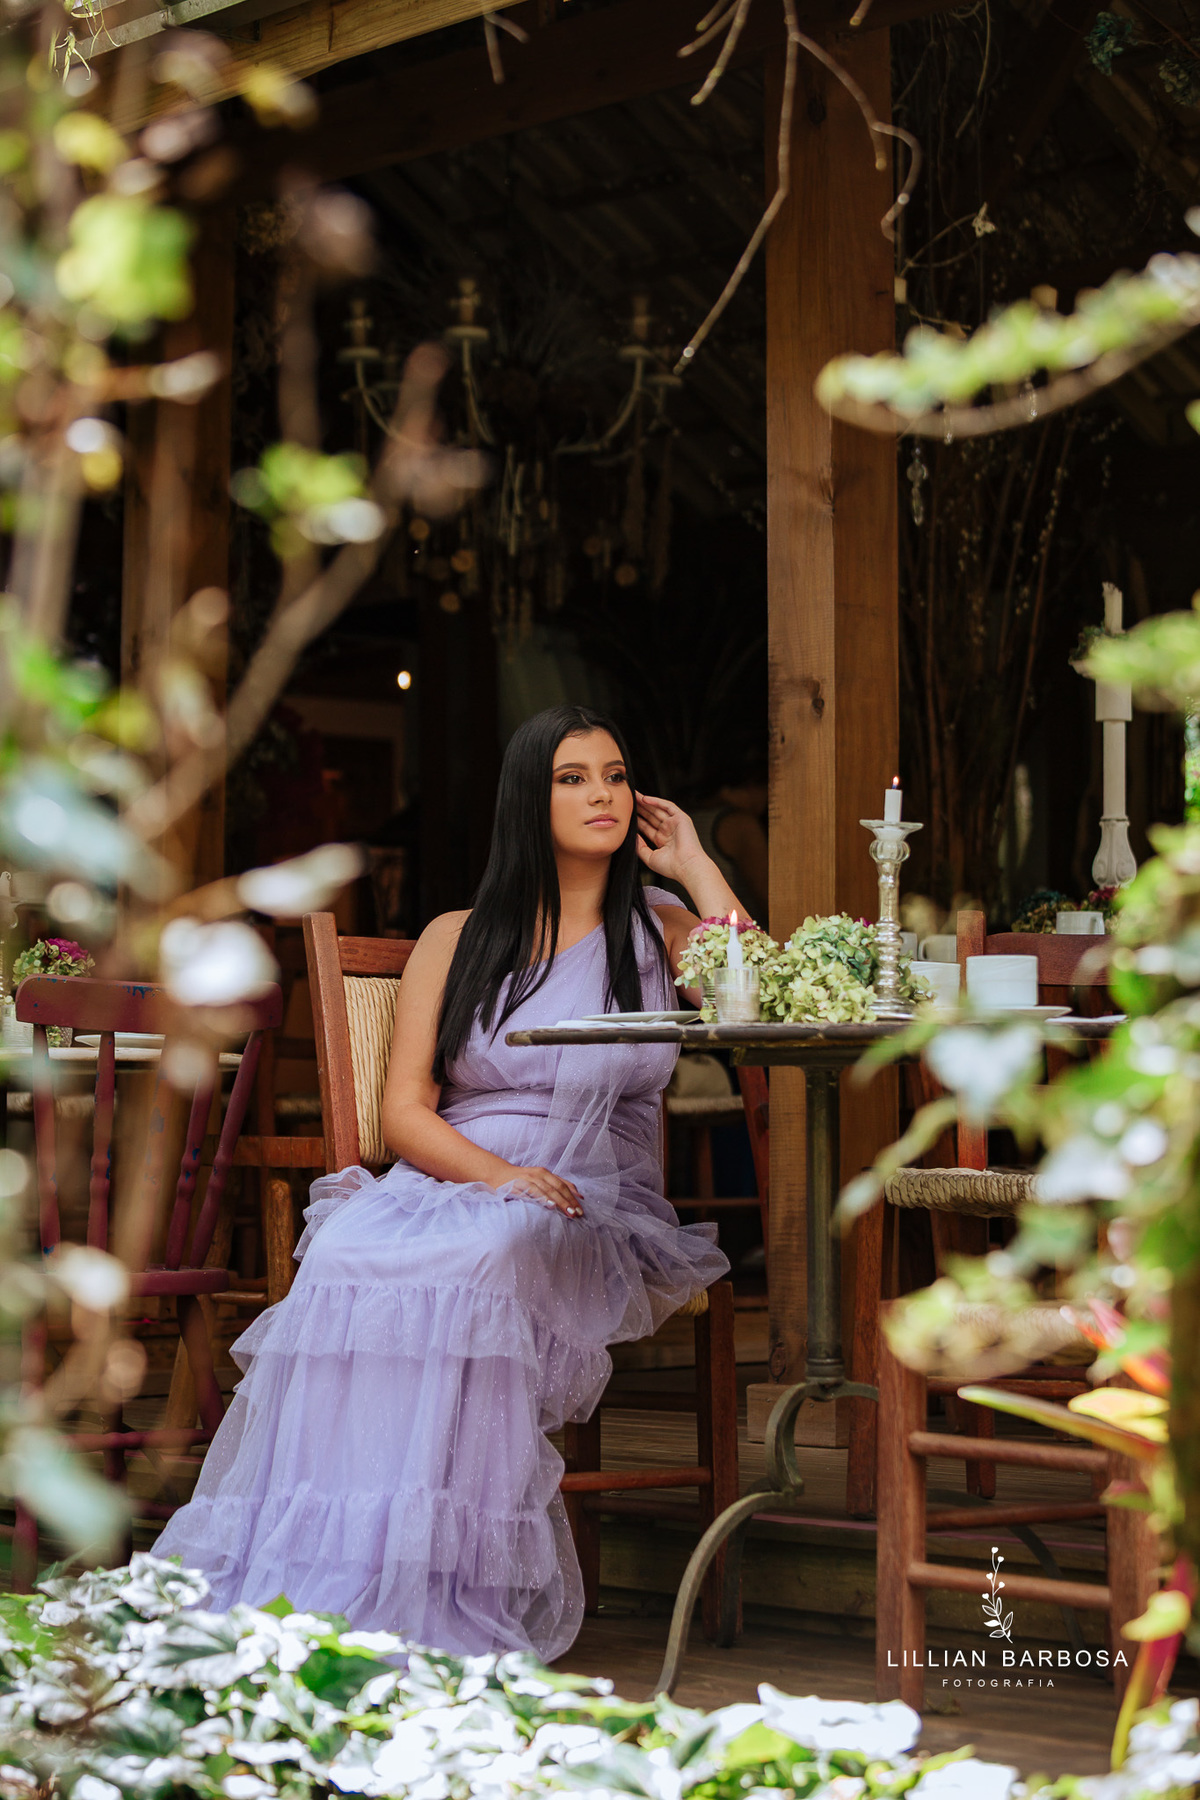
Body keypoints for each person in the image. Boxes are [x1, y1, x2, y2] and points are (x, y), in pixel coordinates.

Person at [155, 704, 750, 1663]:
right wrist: (500, 1173)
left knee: (489, 1251)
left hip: (595, 1197)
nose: (602, 793)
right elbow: (404, 1113)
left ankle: (440, 1581)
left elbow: (752, 1001)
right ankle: (328, 1564)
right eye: (572, 778)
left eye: (614, 774)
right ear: (529, 798)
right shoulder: (455, 936)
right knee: (348, 1244)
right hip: (464, 1175)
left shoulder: (666, 929)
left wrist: (696, 866)